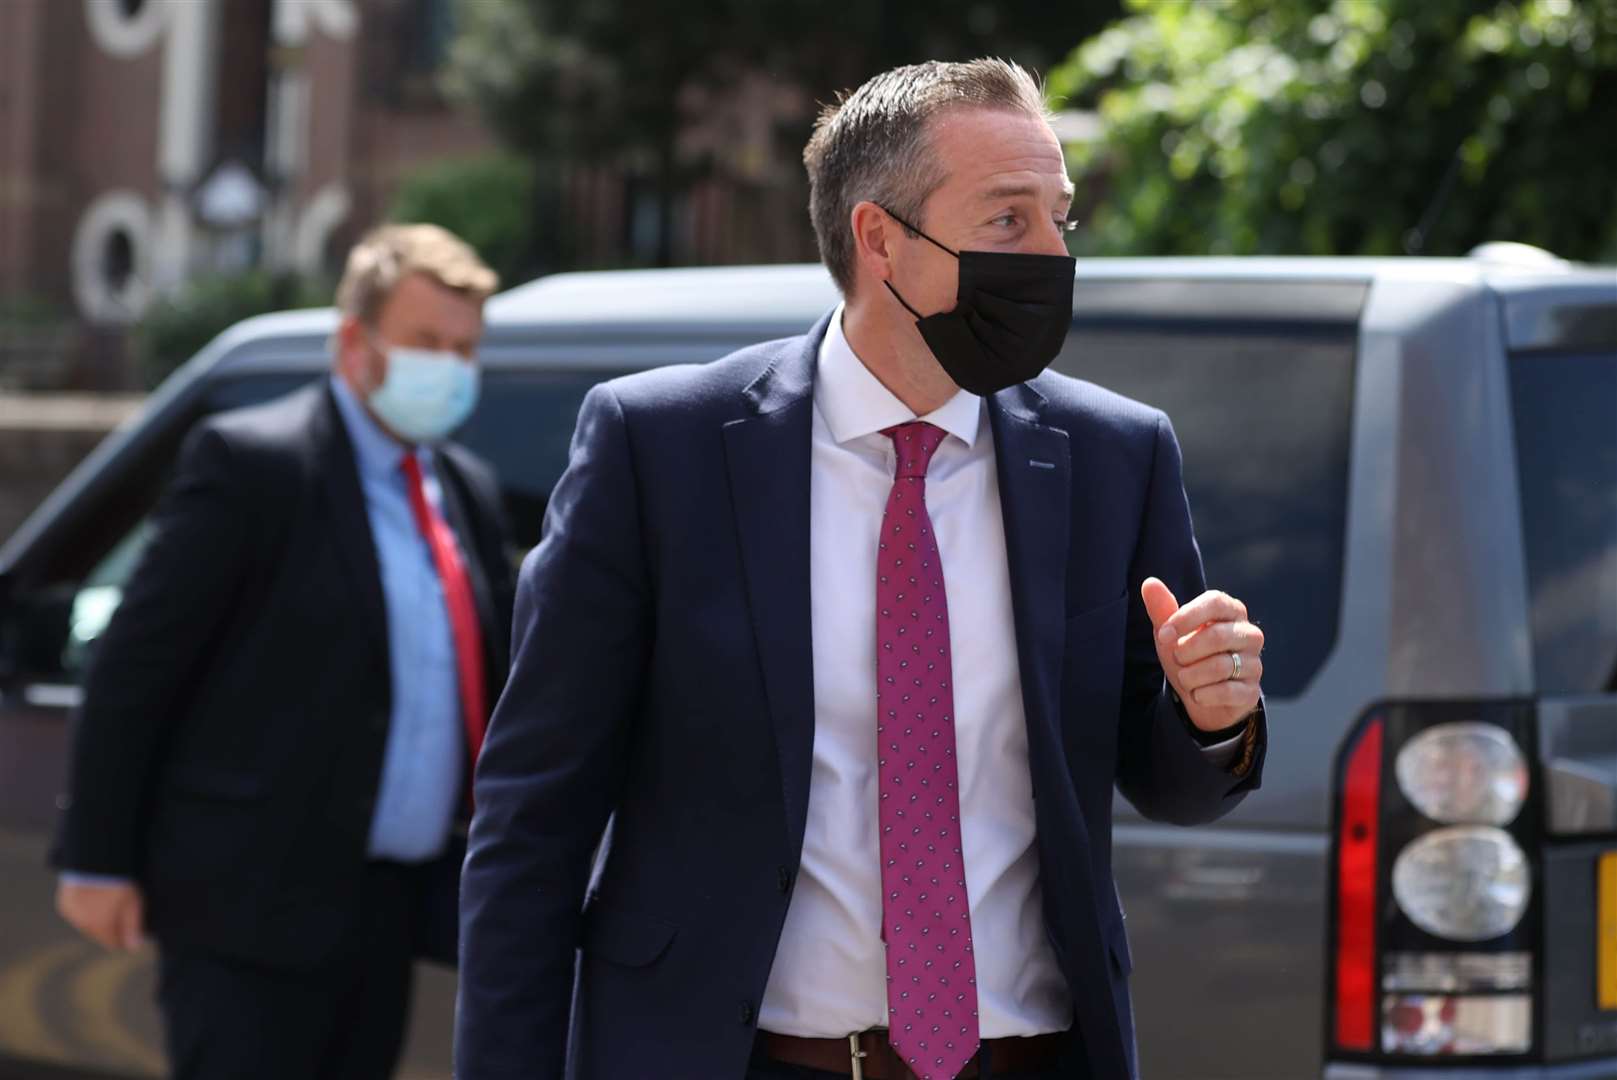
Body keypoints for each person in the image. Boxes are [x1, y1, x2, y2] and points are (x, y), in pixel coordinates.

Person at [457, 59, 1267, 1080]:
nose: (1053, 255)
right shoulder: (659, 449)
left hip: (1029, 1058)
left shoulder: (1114, 454)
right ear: (880, 238)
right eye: (1008, 220)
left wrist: (1212, 717)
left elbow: (1170, 780)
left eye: (1060, 218)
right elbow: (534, 822)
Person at [51, 224, 516, 1080]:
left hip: (385, 910)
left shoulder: (463, 490)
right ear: (353, 343)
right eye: (424, 343)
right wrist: (97, 858)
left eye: (464, 348)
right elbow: (136, 667)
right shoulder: (254, 464)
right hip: (246, 913)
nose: (448, 368)